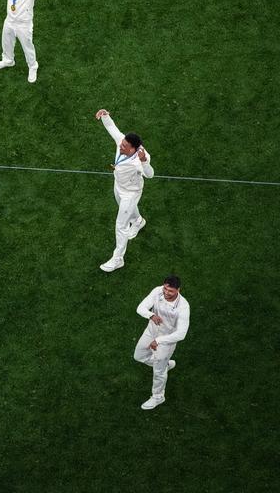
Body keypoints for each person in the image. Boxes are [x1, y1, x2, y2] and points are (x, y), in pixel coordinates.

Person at [94, 109, 154, 272]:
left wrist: (144, 162)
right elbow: (113, 129)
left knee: (121, 224)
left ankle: (118, 259)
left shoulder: (141, 158)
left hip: (131, 193)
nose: (121, 146)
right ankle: (138, 221)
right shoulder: (122, 141)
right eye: (122, 144)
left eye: (125, 146)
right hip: (118, 185)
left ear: (134, 149)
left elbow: (150, 175)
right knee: (126, 211)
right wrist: (105, 116)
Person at [133, 275, 190, 410]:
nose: (166, 293)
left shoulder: (183, 307)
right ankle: (165, 365)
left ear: (178, 290)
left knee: (158, 372)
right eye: (165, 288)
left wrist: (158, 341)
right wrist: (151, 315)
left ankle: (158, 397)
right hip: (151, 331)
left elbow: (181, 334)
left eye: (170, 291)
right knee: (139, 356)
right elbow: (140, 308)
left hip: (167, 340)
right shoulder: (158, 291)